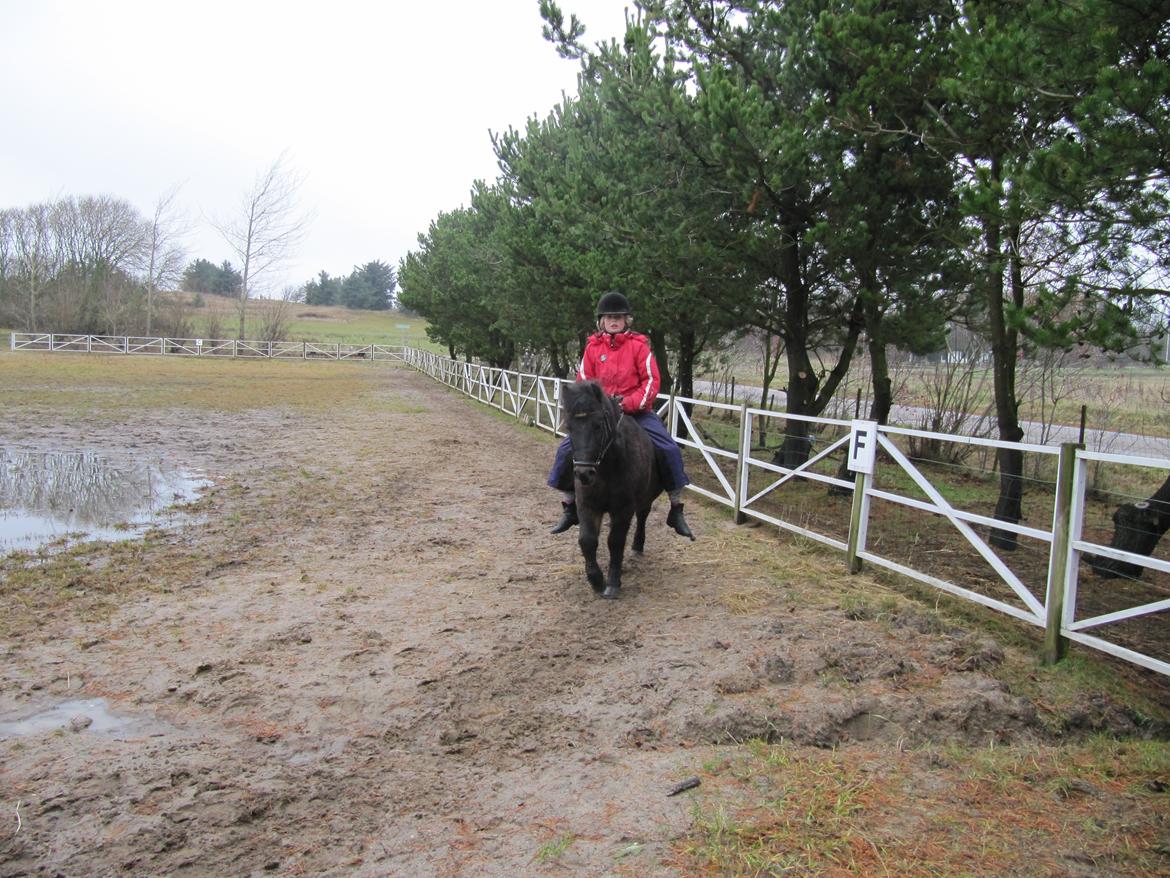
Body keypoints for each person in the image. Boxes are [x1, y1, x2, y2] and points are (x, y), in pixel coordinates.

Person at [548, 291, 694, 540]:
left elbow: (651, 381)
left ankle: (676, 507)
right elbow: (583, 382)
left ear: (627, 320)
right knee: (566, 449)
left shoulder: (640, 347)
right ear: (601, 321)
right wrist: (596, 408)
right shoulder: (593, 348)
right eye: (608, 317)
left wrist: (629, 403)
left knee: (668, 448)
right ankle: (570, 505)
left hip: (635, 412)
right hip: (600, 415)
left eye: (618, 316)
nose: (613, 321)